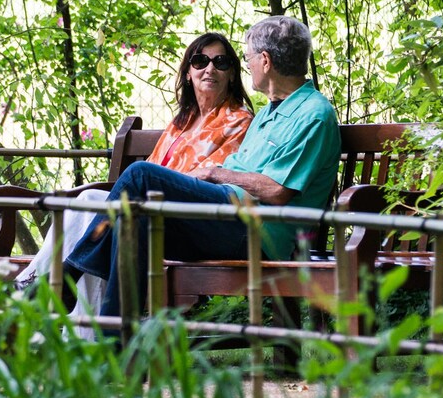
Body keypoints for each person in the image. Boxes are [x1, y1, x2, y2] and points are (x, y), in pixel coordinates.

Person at [62, 16, 341, 321]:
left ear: (265, 60)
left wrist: (214, 173)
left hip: (257, 234)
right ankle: (115, 343)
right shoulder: (269, 112)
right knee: (135, 219)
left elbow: (277, 191)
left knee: (140, 174)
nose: (246, 65)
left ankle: (65, 281)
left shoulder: (313, 115)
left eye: (247, 57)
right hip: (227, 218)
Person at [15, 32, 255, 332]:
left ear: (232, 73)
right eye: (200, 61)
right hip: (149, 211)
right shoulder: (182, 122)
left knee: (103, 220)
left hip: (185, 222)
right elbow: (152, 171)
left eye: (220, 62)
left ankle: (48, 283)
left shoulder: (239, 121)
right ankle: (65, 309)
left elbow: (211, 182)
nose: (209, 69)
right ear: (189, 72)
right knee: (89, 204)